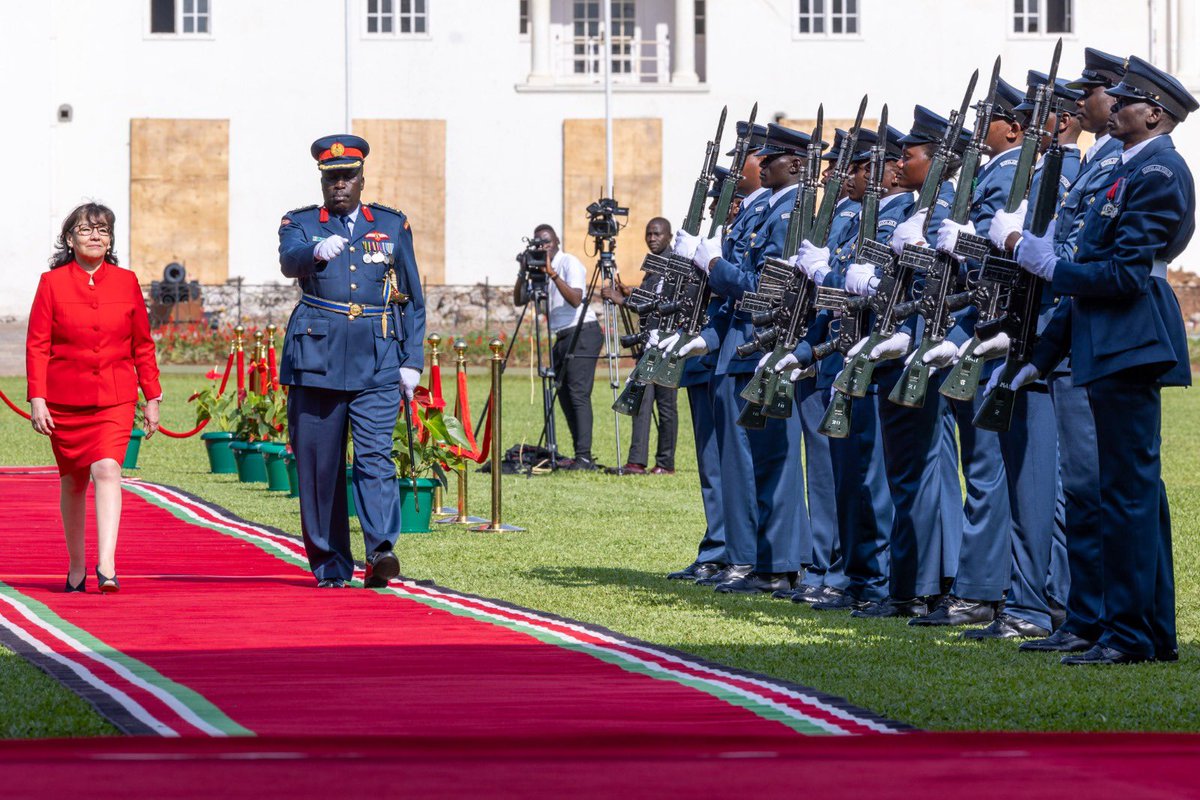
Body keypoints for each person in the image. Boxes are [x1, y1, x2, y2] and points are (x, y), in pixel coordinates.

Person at [1008, 56, 1196, 664]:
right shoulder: (1126, 168)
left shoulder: (1159, 172)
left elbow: (1122, 275)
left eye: (1127, 100)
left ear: (1156, 114)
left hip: (1130, 339)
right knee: (1118, 492)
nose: (1113, 106)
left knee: (1128, 495)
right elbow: (1091, 278)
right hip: (1107, 336)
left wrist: (1051, 267)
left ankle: (1133, 635)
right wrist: (1042, 356)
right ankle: (1127, 629)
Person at [279, 134, 425, 589]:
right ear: (322, 182)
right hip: (317, 359)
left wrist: (411, 360)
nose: (339, 185)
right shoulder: (301, 223)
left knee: (375, 457)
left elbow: (413, 298)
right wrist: (313, 253)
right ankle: (330, 564)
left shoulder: (391, 224)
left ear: (362, 179)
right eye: (332, 178)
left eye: (347, 177)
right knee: (319, 466)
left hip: (377, 357)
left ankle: (381, 550)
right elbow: (288, 261)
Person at [26, 203, 162, 594]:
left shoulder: (126, 281)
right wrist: (38, 398)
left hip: (115, 398)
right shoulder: (51, 283)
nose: (95, 236)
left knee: (107, 469)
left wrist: (152, 396)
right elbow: (38, 345)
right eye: (86, 230)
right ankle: (76, 567)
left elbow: (142, 344)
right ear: (70, 239)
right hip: (65, 400)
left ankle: (107, 566)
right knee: (73, 481)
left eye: (102, 230)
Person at [514, 224, 601, 470]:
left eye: (547, 242)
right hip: (561, 336)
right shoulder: (539, 270)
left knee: (578, 394)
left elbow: (576, 299)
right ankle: (579, 454)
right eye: (538, 243)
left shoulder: (568, 263)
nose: (543, 247)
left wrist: (552, 273)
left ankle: (584, 457)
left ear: (557, 243)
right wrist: (523, 272)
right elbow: (519, 300)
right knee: (562, 394)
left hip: (582, 331)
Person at [603, 217, 679, 475]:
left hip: (667, 344)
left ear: (669, 236)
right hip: (650, 343)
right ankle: (636, 462)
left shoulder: (672, 264)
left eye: (657, 234)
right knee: (641, 400)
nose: (652, 238)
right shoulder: (655, 263)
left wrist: (622, 300)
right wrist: (629, 292)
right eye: (649, 234)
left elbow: (660, 303)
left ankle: (665, 463)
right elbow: (650, 295)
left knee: (666, 407)